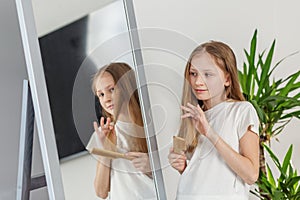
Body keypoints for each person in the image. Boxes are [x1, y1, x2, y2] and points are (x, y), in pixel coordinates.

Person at [168, 41, 260, 200]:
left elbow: (251, 175)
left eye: (207, 74)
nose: (197, 82)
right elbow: (205, 175)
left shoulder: (241, 111)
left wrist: (209, 132)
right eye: (193, 73)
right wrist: (182, 167)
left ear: (227, 79)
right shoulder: (192, 115)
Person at [86, 62, 156, 200]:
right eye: (100, 94)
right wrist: (105, 148)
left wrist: (151, 167)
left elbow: (175, 174)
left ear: (126, 87)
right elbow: (101, 192)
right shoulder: (102, 134)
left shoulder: (152, 125)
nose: (106, 99)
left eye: (111, 89)